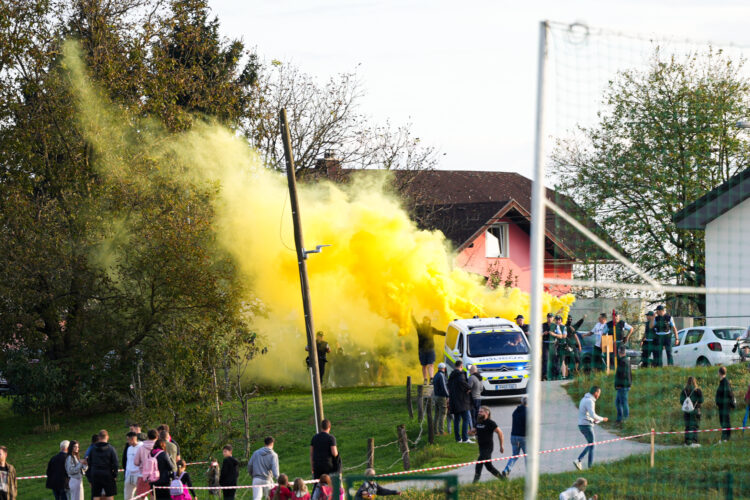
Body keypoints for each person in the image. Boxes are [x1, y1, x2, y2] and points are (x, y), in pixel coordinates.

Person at [573, 387, 608, 470]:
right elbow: (593, 415)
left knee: (591, 444)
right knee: (592, 445)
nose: (599, 395)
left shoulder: (584, 399)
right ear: (596, 393)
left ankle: (580, 460)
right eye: (599, 393)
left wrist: (594, 420)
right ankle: (587, 465)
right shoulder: (590, 401)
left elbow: (587, 414)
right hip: (586, 425)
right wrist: (602, 419)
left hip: (582, 424)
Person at [468, 406, 504, 482]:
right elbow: (474, 430)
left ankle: (474, 483)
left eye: (481, 412)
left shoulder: (490, 423)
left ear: (486, 413)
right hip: (481, 447)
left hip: (488, 447)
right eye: (479, 412)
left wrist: (501, 446)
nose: (479, 413)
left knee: (479, 462)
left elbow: (500, 432)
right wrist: (471, 432)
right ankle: (504, 480)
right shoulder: (478, 422)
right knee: (489, 467)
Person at [411, 314, 446, 384]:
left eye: (427, 320)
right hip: (422, 350)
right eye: (425, 320)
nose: (426, 322)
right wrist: (411, 315)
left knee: (431, 364)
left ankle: (431, 379)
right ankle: (425, 379)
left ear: (429, 321)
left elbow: (440, 332)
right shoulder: (419, 328)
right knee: (424, 366)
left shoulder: (431, 329)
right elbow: (414, 322)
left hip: (430, 349)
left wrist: (447, 333)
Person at [87, 430, 119, 500]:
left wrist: (89, 477)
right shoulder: (111, 449)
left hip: (95, 474)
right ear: (107, 437)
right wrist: (115, 475)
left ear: (99, 437)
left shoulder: (92, 449)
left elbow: (89, 463)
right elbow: (115, 463)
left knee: (96, 495)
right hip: (107, 474)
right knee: (109, 495)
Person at [447, 360, 473, 443]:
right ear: (461, 366)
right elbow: (463, 383)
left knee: (457, 420)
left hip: (454, 400)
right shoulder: (460, 375)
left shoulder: (451, 375)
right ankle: (465, 438)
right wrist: (469, 388)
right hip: (462, 401)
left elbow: (449, 386)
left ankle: (458, 439)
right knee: (466, 418)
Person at [501, 397, 527, 478]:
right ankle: (529, 473)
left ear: (521, 402)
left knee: (515, 455)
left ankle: (507, 470)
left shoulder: (515, 411)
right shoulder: (528, 412)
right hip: (524, 437)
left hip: (514, 436)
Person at [680, 376, 704, 447]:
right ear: (695, 382)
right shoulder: (697, 390)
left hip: (686, 411)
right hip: (695, 410)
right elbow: (701, 400)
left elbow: (681, 401)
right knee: (694, 426)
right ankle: (694, 441)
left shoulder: (684, 391)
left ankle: (687, 442)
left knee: (687, 426)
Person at [133, 429, 158, 496]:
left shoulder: (141, 447)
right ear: (157, 437)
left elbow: (136, 462)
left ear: (147, 436)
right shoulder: (158, 447)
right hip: (155, 475)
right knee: (154, 495)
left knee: (141, 496)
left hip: (143, 475)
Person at [715, 366, 736, 442]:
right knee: (723, 421)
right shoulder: (723, 382)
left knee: (725, 422)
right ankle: (724, 437)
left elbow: (729, 394)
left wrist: (732, 404)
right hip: (722, 406)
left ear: (719, 373)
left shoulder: (725, 382)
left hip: (725, 406)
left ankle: (726, 437)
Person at [614, 344, 631, 425]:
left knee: (623, 402)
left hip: (622, 386)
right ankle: (619, 418)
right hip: (625, 385)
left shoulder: (623, 361)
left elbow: (622, 375)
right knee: (618, 402)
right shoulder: (626, 360)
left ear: (619, 352)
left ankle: (625, 419)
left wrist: (618, 384)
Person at [431, 363, 450, 436]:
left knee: (437, 414)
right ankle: (441, 431)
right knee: (443, 413)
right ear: (444, 369)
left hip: (436, 396)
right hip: (441, 397)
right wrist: (448, 396)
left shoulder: (436, 375)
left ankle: (435, 431)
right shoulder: (442, 375)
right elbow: (444, 387)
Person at [122, 431, 142, 499]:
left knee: (141, 496)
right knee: (127, 496)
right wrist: (126, 475)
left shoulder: (141, 447)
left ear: (133, 439)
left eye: (128, 439)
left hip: (139, 475)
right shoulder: (129, 448)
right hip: (129, 475)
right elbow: (128, 462)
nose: (127, 441)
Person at [550, 315, 568, 380]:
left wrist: (554, 335)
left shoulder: (564, 327)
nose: (558, 321)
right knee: (555, 360)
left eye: (559, 320)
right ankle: (556, 375)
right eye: (557, 320)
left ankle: (563, 375)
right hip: (554, 346)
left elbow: (564, 336)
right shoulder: (553, 326)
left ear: (561, 320)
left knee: (562, 360)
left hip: (562, 345)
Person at [541, 313, 555, 380]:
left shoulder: (555, 325)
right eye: (548, 317)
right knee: (545, 359)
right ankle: (544, 374)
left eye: (551, 317)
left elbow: (561, 335)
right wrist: (544, 333)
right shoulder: (543, 325)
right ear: (547, 318)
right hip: (545, 343)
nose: (549, 318)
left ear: (553, 318)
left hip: (553, 344)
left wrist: (553, 334)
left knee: (553, 359)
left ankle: (553, 374)